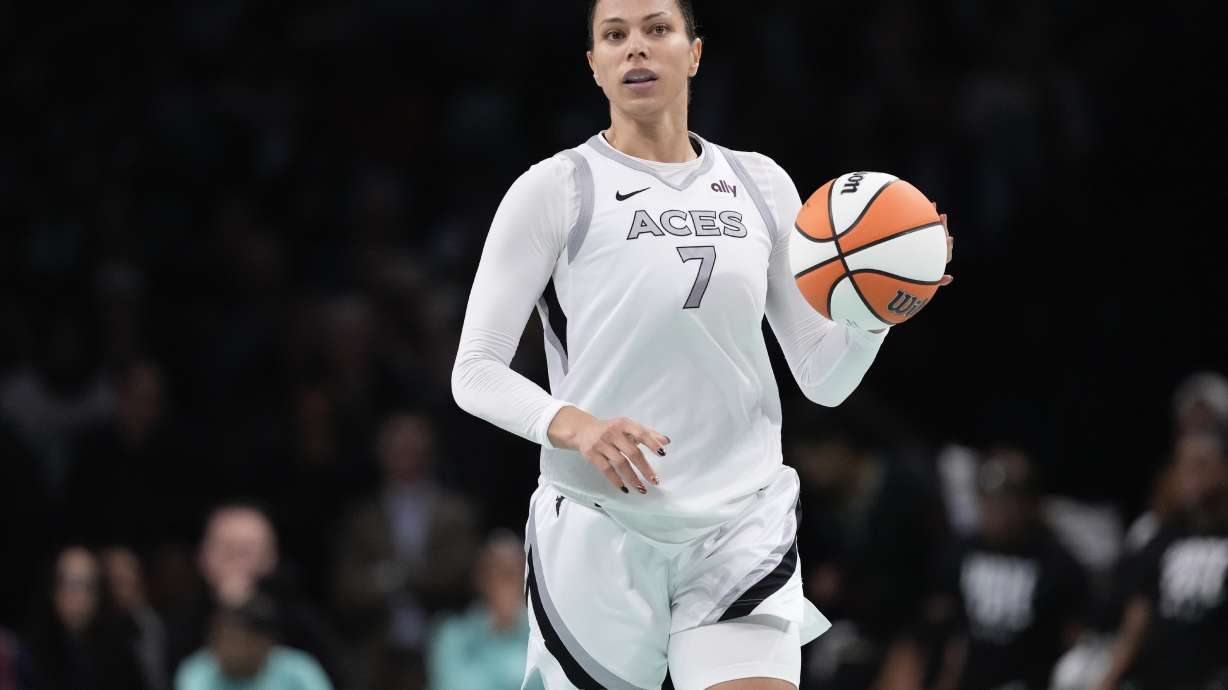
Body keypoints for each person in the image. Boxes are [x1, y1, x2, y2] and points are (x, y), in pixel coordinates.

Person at [450, 1, 954, 688]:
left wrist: (874, 311)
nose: (636, 49)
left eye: (657, 29)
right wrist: (574, 425)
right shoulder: (555, 189)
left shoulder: (762, 183)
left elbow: (822, 379)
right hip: (600, 524)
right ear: (593, 64)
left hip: (739, 521)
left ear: (693, 53)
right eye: (614, 36)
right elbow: (474, 370)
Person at [331, 413, 478, 690]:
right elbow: (346, 587)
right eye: (396, 449)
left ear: (428, 452)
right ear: (381, 453)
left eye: (412, 448)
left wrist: (395, 577)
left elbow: (462, 573)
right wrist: (403, 579)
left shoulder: (454, 512)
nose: (404, 456)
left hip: (443, 642)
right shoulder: (363, 517)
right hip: (377, 650)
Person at [926, 449, 1089, 690]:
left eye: (1008, 500)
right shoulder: (960, 551)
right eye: (989, 498)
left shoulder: (1057, 562)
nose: (997, 510)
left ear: (1031, 504)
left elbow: (1074, 641)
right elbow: (942, 629)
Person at [1094, 428, 1228, 690]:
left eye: (1200, 465)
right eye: (1182, 465)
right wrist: (1106, 681)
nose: (1189, 476)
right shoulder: (1162, 538)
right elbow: (1137, 622)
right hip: (1158, 678)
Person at [426, 531, 544, 690]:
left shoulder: (547, 638)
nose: (506, 579)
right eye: (497, 570)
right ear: (481, 579)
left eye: (514, 571)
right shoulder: (451, 635)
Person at [174, 595, 332, 690]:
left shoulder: (299, 669)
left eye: (233, 639)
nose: (221, 647)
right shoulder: (197, 672)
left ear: (265, 643)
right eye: (217, 637)